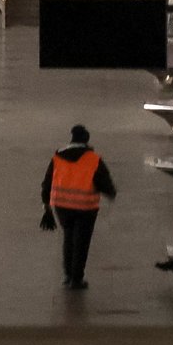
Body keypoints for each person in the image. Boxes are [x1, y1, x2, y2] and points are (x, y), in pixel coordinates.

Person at [39, 124, 117, 290]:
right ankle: (77, 278)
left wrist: (46, 204)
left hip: (62, 206)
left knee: (68, 238)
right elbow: (104, 182)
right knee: (81, 242)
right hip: (85, 207)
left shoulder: (58, 156)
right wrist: (111, 192)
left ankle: (67, 275)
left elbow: (47, 182)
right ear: (86, 140)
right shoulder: (93, 159)